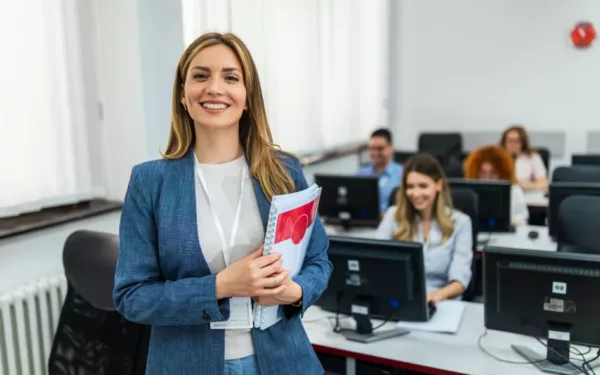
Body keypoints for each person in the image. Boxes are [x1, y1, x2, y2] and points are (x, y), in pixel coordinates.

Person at [113, 32, 332, 375]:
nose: (214, 88)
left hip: (283, 360)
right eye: (201, 76)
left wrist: (295, 291)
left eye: (230, 77)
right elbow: (132, 296)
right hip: (187, 363)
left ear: (247, 98)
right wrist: (221, 286)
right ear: (183, 95)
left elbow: (319, 260)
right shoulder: (150, 182)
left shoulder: (284, 171)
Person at [376, 154, 473, 302]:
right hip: (399, 298)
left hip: (441, 301)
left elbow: (460, 281)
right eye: (410, 187)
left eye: (423, 186)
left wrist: (434, 296)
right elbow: (374, 261)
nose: (415, 194)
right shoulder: (393, 215)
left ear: (438, 185)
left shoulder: (460, 222)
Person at [464, 145, 529, 226]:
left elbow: (522, 219)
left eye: (493, 174)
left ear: (502, 173)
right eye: (482, 173)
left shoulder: (514, 191)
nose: (487, 179)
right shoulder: (468, 194)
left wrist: (513, 224)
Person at [356, 128, 403, 213]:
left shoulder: (402, 174)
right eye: (372, 148)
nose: (375, 153)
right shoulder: (361, 173)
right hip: (365, 221)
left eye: (380, 148)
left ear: (391, 148)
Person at [499, 125, 548, 190]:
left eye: (516, 141)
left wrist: (523, 185)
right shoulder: (497, 157)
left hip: (526, 192)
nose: (512, 144)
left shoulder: (533, 157)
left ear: (523, 143)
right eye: (509, 141)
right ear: (504, 142)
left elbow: (543, 183)